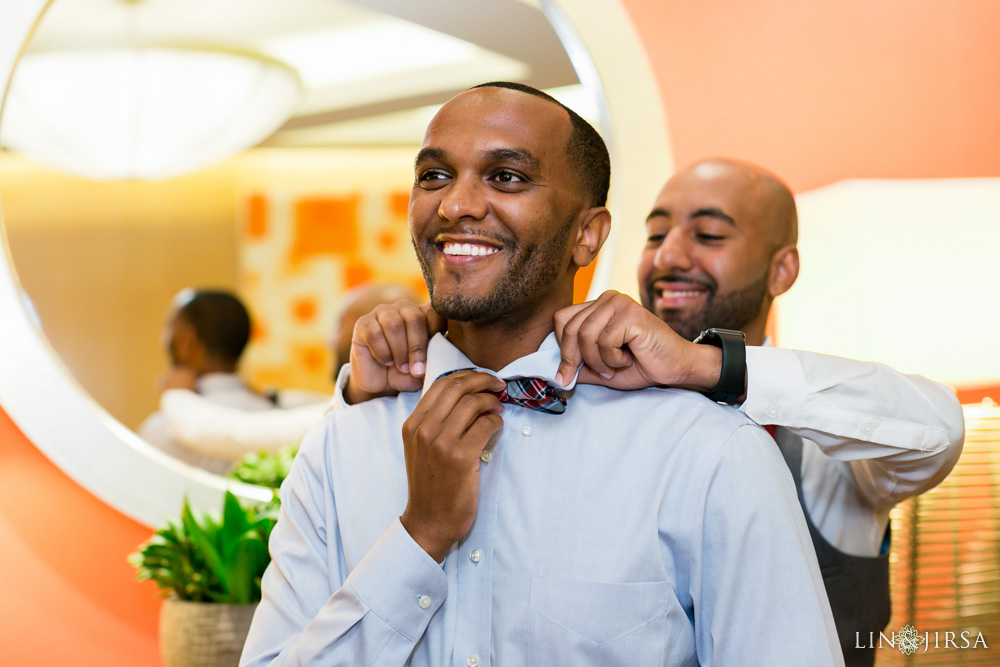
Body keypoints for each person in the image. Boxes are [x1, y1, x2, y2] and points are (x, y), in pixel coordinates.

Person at [240, 83, 842, 666]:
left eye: (506, 177)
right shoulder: (342, 444)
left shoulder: (704, 453)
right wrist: (418, 537)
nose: (456, 205)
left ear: (588, 236)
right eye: (434, 175)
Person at [340, 157, 965, 666]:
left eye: (710, 235)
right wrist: (388, 393)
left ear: (784, 268)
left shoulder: (825, 446)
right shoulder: (558, 401)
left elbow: (935, 430)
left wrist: (708, 366)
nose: (668, 257)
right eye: (657, 233)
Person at [153, 283, 419, 458]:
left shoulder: (367, 416)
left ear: (381, 329)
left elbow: (230, 434)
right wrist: (273, 397)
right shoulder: (409, 398)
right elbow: (328, 403)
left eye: (340, 324)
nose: (329, 340)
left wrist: (176, 393)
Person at [137, 288, 273, 474]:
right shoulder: (270, 415)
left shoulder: (162, 432)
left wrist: (175, 398)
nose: (164, 340)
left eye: (169, 327)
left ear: (187, 342)